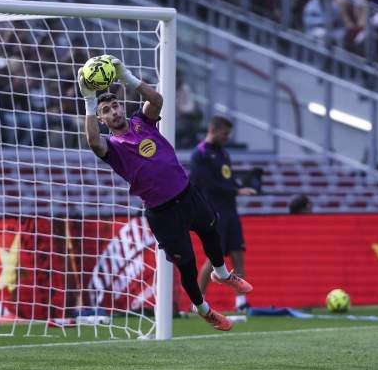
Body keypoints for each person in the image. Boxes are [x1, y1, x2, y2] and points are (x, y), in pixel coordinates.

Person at [77, 57, 252, 331]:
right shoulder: (112, 146)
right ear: (101, 119)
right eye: (106, 110)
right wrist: (89, 99)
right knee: (188, 266)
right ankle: (204, 309)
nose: (113, 111)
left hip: (187, 193)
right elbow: (92, 142)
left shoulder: (140, 123)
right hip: (163, 211)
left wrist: (128, 78)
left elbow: (157, 101)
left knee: (212, 231)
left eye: (115, 105)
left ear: (122, 106)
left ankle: (222, 274)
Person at [190, 116, 257, 312]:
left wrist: (242, 186)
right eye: (225, 134)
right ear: (214, 130)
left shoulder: (223, 154)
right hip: (213, 211)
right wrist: (236, 191)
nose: (227, 138)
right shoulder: (200, 153)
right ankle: (197, 301)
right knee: (213, 258)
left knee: (238, 253)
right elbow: (205, 183)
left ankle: (241, 303)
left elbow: (228, 179)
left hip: (231, 210)